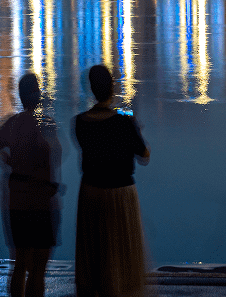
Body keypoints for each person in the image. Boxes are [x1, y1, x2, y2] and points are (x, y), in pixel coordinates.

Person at [0, 73, 61, 297]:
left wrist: (5, 162)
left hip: (16, 200)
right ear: (38, 95)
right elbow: (57, 156)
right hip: (42, 200)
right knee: (38, 267)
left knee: (20, 263)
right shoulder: (46, 125)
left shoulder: (12, 124)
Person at [73, 65, 151, 297]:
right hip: (120, 192)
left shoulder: (79, 122)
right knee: (121, 252)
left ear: (91, 90)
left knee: (95, 252)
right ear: (112, 88)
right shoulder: (125, 121)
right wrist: (136, 129)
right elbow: (144, 155)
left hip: (91, 191)